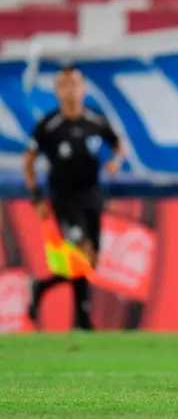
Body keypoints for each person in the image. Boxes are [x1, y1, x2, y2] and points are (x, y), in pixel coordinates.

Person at [23, 66, 125, 330]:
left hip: (91, 196)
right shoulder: (50, 125)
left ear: (84, 89)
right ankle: (82, 319)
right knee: (81, 249)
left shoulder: (96, 121)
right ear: (57, 91)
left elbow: (119, 145)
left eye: (75, 84)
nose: (70, 90)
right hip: (63, 198)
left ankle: (42, 286)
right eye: (64, 85)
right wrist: (36, 198)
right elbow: (29, 161)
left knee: (91, 260)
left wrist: (115, 162)